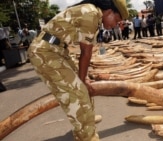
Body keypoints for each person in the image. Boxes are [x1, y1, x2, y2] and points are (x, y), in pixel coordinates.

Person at [27, 0, 128, 141]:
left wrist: (84, 78)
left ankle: (87, 119)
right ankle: (87, 136)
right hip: (44, 51)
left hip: (58, 50)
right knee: (78, 91)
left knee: (83, 87)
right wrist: (82, 80)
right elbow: (86, 52)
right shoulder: (91, 13)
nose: (114, 25)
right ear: (110, 12)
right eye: (116, 20)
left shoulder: (94, 15)